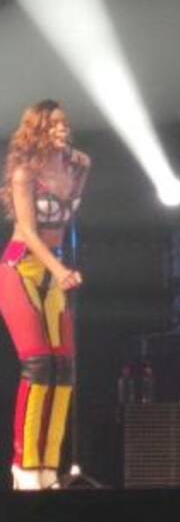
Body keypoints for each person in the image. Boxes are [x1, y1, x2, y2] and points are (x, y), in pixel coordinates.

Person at [0, 100, 91, 490]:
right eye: (53, 124)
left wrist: (82, 166)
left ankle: (49, 468)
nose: (61, 128)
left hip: (53, 269)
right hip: (20, 268)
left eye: (64, 123)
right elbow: (27, 230)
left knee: (63, 367)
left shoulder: (74, 169)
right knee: (38, 364)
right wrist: (59, 270)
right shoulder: (24, 173)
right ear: (37, 129)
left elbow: (69, 215)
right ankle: (24, 467)